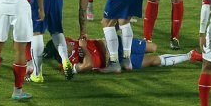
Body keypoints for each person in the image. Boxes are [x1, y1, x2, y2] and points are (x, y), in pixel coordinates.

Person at [77, 0, 146, 73]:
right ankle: (127, 61)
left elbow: (82, 10)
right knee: (124, 21)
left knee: (106, 23)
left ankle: (114, 63)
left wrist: (83, 32)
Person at [43, 36, 202, 73]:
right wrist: (84, 48)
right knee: (153, 60)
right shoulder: (66, 65)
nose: (68, 44)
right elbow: (88, 65)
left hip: (114, 42)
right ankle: (190, 55)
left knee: (153, 47)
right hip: (114, 60)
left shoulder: (67, 40)